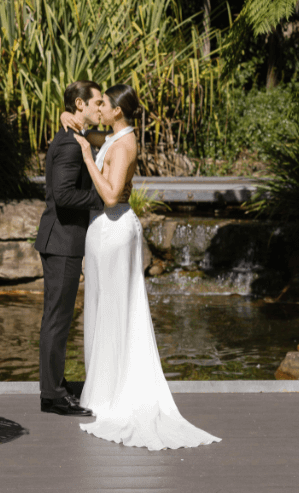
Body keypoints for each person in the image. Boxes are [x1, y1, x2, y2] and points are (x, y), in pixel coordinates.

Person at [71, 84, 221, 450]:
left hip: (115, 226)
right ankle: (102, 389)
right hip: (106, 230)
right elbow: (77, 124)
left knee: (116, 311)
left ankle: (115, 393)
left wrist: (89, 158)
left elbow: (110, 194)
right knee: (104, 309)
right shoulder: (118, 136)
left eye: (103, 104)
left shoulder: (124, 145)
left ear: (117, 111)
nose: (99, 109)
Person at [33, 80, 105, 417]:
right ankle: (53, 396)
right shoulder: (69, 145)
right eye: (95, 103)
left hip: (62, 240)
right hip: (62, 240)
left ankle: (54, 387)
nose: (99, 108)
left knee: (57, 318)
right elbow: (63, 195)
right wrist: (101, 198)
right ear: (80, 104)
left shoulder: (74, 137)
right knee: (57, 320)